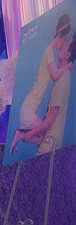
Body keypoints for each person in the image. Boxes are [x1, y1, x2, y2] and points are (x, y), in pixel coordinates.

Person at [9, 14, 73, 155]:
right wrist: (68, 66)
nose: (63, 45)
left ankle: (21, 134)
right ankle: (20, 134)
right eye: (65, 41)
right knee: (43, 136)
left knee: (42, 138)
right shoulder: (49, 51)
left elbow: (55, 78)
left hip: (28, 108)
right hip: (28, 110)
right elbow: (55, 75)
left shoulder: (49, 52)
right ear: (61, 36)